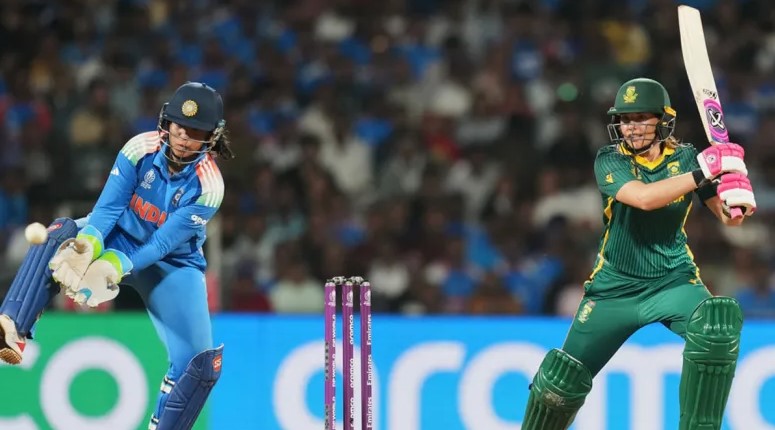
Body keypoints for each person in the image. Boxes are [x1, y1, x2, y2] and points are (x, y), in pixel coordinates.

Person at [520, 77, 756, 430]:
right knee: (559, 381)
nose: (631, 127)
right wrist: (704, 171)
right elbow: (644, 199)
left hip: (673, 281)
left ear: (663, 120)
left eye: (641, 118)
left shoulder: (687, 157)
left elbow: (727, 218)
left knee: (715, 325)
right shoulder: (608, 160)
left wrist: (737, 200)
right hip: (614, 288)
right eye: (625, 119)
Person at [0, 81, 234, 430]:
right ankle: (11, 326)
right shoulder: (139, 148)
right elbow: (106, 211)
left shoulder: (209, 186)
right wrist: (89, 245)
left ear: (211, 137)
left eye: (195, 133)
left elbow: (161, 245)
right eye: (180, 128)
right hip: (116, 235)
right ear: (166, 123)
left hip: (171, 266)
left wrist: (113, 266)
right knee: (61, 233)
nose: (184, 139)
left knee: (199, 366)